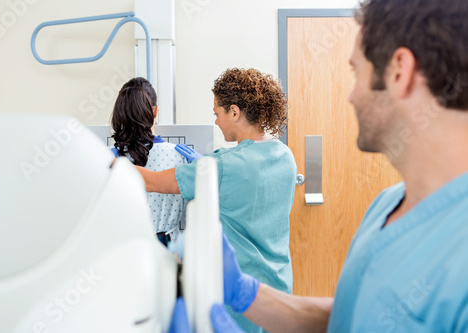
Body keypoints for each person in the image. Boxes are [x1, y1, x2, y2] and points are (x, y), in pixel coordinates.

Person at [171, 0, 468, 331]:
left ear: (400, 71)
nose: (351, 96)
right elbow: (351, 318)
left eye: (357, 72)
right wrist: (247, 295)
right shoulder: (385, 206)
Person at [136, 68, 297, 332]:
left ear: (234, 112)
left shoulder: (221, 166)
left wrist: (108, 162)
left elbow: (153, 181)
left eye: (217, 113)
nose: (215, 122)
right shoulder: (285, 155)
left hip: (238, 293)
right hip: (279, 288)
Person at [110, 77, 188, 246]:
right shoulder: (180, 156)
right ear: (155, 111)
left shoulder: (108, 160)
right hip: (169, 251)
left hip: (122, 250)